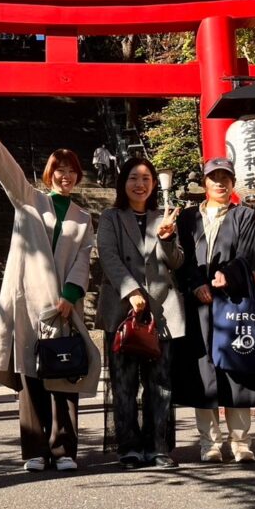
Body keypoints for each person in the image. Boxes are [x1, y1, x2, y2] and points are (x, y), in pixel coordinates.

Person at [0, 101, 100, 472]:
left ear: (78, 176)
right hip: (27, 302)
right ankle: (35, 450)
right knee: (31, 376)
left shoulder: (84, 218)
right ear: (49, 174)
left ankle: (64, 450)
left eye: (71, 171)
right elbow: (9, 171)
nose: (65, 176)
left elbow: (85, 257)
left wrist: (71, 294)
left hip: (62, 305)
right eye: (59, 170)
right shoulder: (28, 199)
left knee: (66, 374)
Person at [172, 157, 255, 463]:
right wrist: (195, 284)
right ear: (204, 182)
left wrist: (227, 276)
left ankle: (241, 441)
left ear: (232, 182)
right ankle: (209, 442)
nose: (220, 182)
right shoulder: (188, 217)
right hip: (199, 305)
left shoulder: (244, 215)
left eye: (225, 177)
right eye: (213, 177)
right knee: (202, 371)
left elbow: (247, 252)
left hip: (234, 302)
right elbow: (182, 258)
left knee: (238, 367)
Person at [96, 157, 185, 468]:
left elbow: (175, 262)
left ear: (153, 185)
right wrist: (132, 291)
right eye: (134, 177)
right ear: (123, 182)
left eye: (146, 178)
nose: (140, 184)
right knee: (124, 383)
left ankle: (158, 446)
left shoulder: (163, 217)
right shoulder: (110, 217)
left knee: (160, 383)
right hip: (122, 309)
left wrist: (167, 238)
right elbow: (107, 254)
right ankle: (129, 446)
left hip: (162, 310)